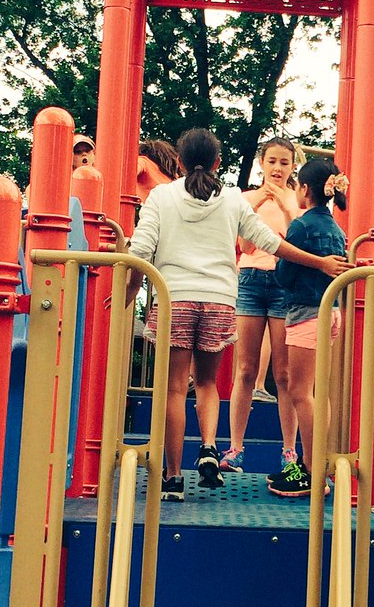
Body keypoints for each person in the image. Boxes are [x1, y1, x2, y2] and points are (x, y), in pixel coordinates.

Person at [124, 128, 350, 503]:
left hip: (175, 297)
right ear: (218, 163)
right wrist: (320, 263)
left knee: (176, 388)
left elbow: (142, 247)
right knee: (210, 384)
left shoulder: (162, 196)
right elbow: (270, 243)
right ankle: (211, 446)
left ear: (178, 163)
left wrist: (132, 289)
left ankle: (173, 477)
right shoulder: (233, 199)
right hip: (219, 299)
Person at [268, 157, 349, 499]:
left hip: (305, 313)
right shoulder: (337, 230)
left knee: (300, 392)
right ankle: (314, 462)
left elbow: (283, 275)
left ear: (304, 189)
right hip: (330, 313)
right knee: (316, 393)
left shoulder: (301, 226)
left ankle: (313, 471)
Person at [220, 137, 302, 476]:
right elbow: (244, 245)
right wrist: (256, 206)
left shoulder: (297, 200)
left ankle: (289, 451)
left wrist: (285, 206)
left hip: (284, 283)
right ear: (261, 164)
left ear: (292, 166)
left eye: (284, 163)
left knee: (284, 373)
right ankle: (236, 448)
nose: (278, 169)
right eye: (272, 162)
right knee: (245, 369)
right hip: (252, 281)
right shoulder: (246, 198)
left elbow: (301, 238)